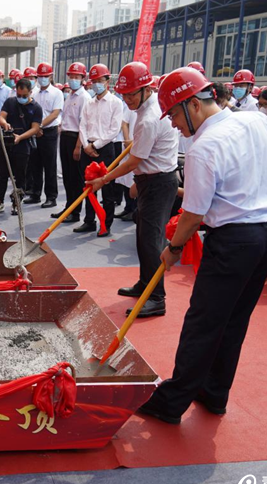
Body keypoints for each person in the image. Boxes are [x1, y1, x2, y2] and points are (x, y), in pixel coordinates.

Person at [134, 67, 267, 424]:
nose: (173, 124)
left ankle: (172, 401)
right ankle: (214, 392)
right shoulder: (254, 121)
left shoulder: (203, 148)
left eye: (174, 115)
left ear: (193, 104)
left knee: (203, 321)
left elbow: (193, 215)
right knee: (234, 319)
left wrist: (173, 249)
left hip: (235, 241)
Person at [87, 61, 179, 318]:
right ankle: (145, 283)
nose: (127, 99)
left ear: (146, 89)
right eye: (124, 94)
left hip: (159, 182)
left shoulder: (149, 118)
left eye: (131, 94)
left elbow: (134, 161)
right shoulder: (145, 109)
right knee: (142, 236)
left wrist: (104, 179)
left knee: (152, 241)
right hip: (150, 179)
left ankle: (156, 297)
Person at [73, 64, 123, 237]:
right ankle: (89, 221)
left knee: (107, 187)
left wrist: (96, 146)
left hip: (105, 149)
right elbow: (82, 126)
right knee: (88, 187)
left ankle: (106, 224)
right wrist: (86, 145)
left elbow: (114, 130)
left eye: (100, 80)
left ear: (107, 81)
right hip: (88, 147)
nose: (96, 84)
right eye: (94, 81)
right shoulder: (89, 103)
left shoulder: (116, 103)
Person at [0, 78, 43, 215]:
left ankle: (16, 202)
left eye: (24, 95)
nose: (21, 98)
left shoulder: (36, 108)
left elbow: (35, 128)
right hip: (6, 143)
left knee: (20, 176)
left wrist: (20, 137)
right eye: (19, 95)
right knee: (2, 174)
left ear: (30, 92)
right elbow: (1, 117)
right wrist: (5, 124)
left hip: (23, 145)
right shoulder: (10, 102)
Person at [54, 62, 90, 224]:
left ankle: (75, 212)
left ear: (82, 78)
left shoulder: (84, 97)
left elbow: (83, 125)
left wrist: (78, 146)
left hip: (76, 138)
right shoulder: (69, 96)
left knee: (76, 178)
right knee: (67, 176)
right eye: (72, 76)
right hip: (65, 136)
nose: (73, 79)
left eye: (77, 77)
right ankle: (68, 207)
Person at [24, 62, 64, 208]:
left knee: (49, 166)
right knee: (35, 164)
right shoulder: (34, 93)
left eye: (45, 76)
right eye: (40, 76)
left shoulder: (57, 93)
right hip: (35, 132)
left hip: (49, 132)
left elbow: (54, 114)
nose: (42, 79)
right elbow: (29, 111)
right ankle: (35, 194)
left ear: (51, 76)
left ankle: (51, 197)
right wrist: (34, 128)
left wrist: (39, 126)